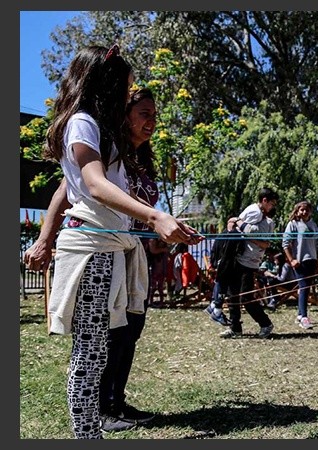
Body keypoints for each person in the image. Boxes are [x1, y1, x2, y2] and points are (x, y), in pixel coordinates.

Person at [39, 45, 202, 439]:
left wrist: (161, 224)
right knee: (91, 354)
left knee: (99, 351)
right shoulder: (82, 122)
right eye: (125, 87)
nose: (127, 95)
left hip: (112, 245)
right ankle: (88, 435)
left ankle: (92, 429)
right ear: (105, 85)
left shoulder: (102, 130)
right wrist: (155, 216)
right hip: (92, 247)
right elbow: (93, 185)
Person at [216, 188, 280, 339]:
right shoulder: (254, 212)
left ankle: (265, 324)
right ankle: (235, 328)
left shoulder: (266, 221)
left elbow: (254, 234)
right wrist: (235, 223)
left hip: (249, 263)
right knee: (233, 295)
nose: (273, 207)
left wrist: (237, 222)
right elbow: (243, 230)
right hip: (239, 259)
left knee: (246, 297)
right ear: (264, 200)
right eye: (272, 203)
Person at [282, 200, 318, 330]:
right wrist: (291, 259)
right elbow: (285, 244)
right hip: (300, 261)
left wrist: (317, 260)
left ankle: (300, 313)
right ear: (297, 211)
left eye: (307, 209)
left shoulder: (314, 225)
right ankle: (304, 317)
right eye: (301, 210)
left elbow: (316, 243)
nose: (304, 212)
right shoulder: (293, 225)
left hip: (312, 260)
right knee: (303, 287)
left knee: (306, 288)